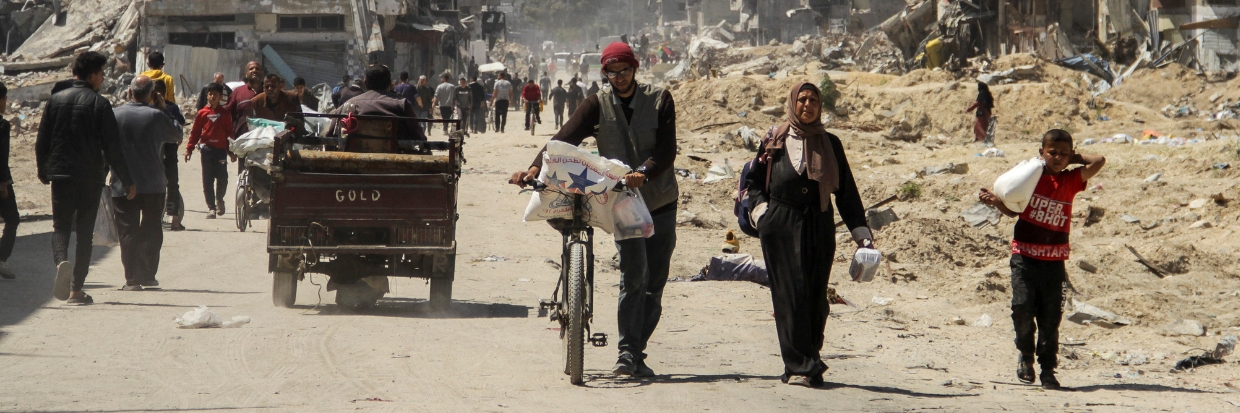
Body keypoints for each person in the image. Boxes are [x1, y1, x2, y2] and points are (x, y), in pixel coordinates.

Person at [509, 42, 678, 378]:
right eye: (612, 72)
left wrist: (643, 172)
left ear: (635, 69)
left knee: (654, 282)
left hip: (659, 200)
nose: (619, 77)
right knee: (633, 275)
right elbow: (563, 140)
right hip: (623, 202)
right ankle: (627, 355)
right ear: (605, 73)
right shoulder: (596, 104)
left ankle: (637, 348)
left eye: (625, 70)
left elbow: (667, 149)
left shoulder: (660, 99)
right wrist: (531, 169)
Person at [744, 82, 875, 388]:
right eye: (801, 99)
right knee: (789, 296)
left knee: (815, 297)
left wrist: (862, 234)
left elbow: (847, 194)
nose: (807, 104)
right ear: (793, 103)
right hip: (780, 224)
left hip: (818, 222)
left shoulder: (830, 143)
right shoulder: (774, 139)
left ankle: (809, 355)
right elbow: (753, 182)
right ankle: (798, 365)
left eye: (813, 100)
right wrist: (761, 214)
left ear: (820, 106)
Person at [979, 130, 1106, 390]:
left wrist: (1072, 157)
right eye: (1052, 152)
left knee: (1051, 318)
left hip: (1054, 262)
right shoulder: (1031, 179)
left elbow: (1099, 160)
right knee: (1022, 308)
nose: (1058, 157)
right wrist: (995, 203)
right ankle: (1025, 356)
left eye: (1063, 153)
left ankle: (1048, 369)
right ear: (1041, 153)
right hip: (1024, 257)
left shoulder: (1071, 180)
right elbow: (1014, 212)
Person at [37, 52, 136, 305]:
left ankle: (61, 261)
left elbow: (43, 141)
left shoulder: (55, 100)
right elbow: (113, 147)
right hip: (90, 177)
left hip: (60, 175)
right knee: (84, 232)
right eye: (102, 73)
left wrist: (43, 170)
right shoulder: (100, 104)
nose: (103, 78)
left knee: (60, 227)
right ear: (91, 75)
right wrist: (127, 179)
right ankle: (76, 289)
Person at [111, 75, 182, 291]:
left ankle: (131, 279)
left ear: (130, 92)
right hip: (153, 184)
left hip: (122, 184)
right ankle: (148, 275)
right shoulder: (156, 116)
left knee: (127, 231)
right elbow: (177, 135)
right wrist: (164, 109)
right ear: (152, 94)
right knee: (151, 228)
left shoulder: (116, 114)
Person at [334, 65, 426, 151]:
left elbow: (329, 134)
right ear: (389, 84)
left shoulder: (350, 104)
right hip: (395, 164)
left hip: (355, 164)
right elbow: (419, 136)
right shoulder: (402, 104)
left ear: (365, 83)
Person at [185, 82, 235, 219]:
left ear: (220, 97)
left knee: (222, 178)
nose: (212, 96)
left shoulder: (225, 114)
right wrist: (189, 149)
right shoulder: (202, 113)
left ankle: (220, 199)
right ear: (207, 95)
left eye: (215, 94)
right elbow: (195, 133)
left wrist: (231, 152)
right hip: (206, 150)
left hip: (221, 151)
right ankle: (211, 208)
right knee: (207, 180)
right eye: (210, 94)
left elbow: (229, 133)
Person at [151, 79, 187, 231]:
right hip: (157, 153)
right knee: (162, 184)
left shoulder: (170, 108)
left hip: (167, 152)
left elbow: (180, 124)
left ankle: (174, 220)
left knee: (172, 184)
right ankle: (155, 218)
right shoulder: (148, 109)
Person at [0, 83, 16, 280]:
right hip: (1, 180)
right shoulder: (2, 125)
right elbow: (2, 155)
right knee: (13, 218)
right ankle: (2, 258)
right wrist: (3, 182)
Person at [225, 61, 264, 138]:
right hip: (242, 139)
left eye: (257, 69)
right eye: (251, 69)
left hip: (264, 139)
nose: (254, 70)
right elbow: (228, 115)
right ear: (246, 74)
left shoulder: (269, 92)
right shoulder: (238, 92)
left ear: (262, 73)